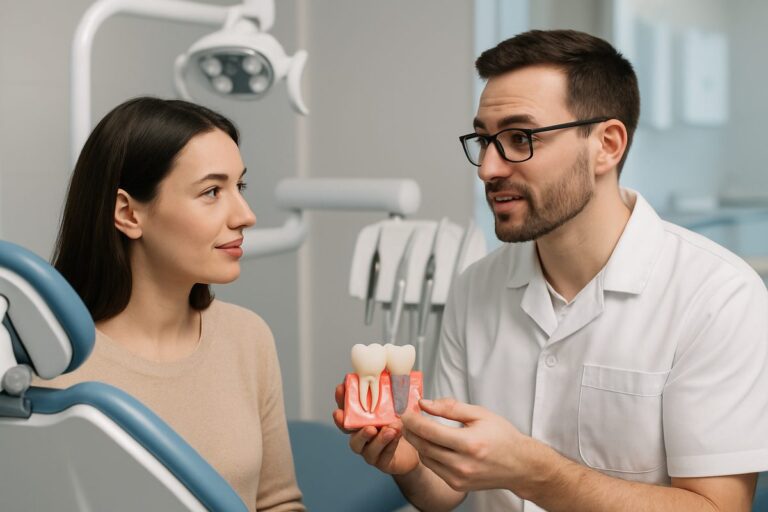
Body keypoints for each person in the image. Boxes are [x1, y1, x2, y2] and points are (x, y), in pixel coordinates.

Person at [333, 29, 768, 511]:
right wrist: (411, 463)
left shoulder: (717, 296)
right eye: (483, 140)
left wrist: (532, 471)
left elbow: (718, 507)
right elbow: (447, 490)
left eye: (520, 138)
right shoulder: (476, 287)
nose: (488, 169)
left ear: (607, 144)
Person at [45, 97, 305, 512]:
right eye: (211, 191)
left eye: (239, 187)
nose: (246, 215)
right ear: (128, 213)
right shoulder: (49, 369)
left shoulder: (248, 337)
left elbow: (277, 503)